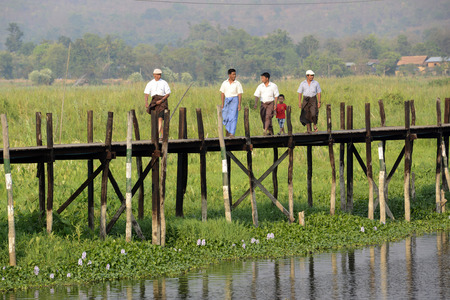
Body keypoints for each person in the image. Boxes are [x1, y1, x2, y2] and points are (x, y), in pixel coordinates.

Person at [144, 68, 171, 137]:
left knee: (160, 118)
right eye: (158, 74)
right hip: (154, 101)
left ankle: (156, 135)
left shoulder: (164, 82)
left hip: (162, 102)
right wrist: (146, 102)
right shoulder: (150, 83)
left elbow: (168, 93)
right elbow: (146, 94)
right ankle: (163, 135)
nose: (159, 76)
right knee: (156, 119)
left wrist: (161, 100)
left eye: (160, 74)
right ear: (154, 75)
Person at [220, 68, 243, 138]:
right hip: (227, 100)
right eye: (233, 74)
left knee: (233, 117)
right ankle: (227, 130)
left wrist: (239, 104)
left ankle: (231, 133)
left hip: (234, 100)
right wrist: (222, 103)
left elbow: (239, 94)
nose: (234, 76)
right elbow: (222, 93)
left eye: (235, 74)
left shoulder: (237, 83)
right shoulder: (224, 83)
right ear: (229, 75)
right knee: (225, 116)